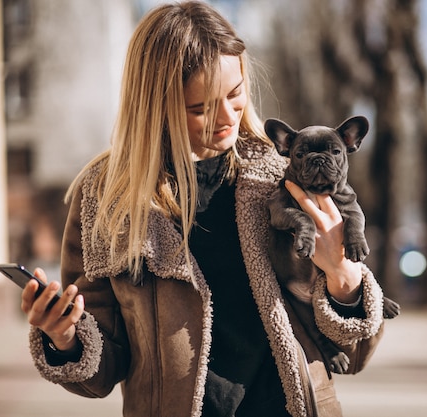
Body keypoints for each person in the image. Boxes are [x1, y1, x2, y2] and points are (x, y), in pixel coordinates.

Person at [20, 2, 386, 416]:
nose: (227, 116)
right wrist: (65, 337)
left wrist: (342, 275)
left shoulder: (285, 178)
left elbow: (353, 354)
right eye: (201, 108)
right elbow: (102, 371)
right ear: (155, 105)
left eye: (235, 94)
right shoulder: (106, 200)